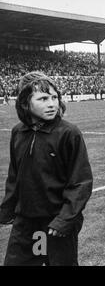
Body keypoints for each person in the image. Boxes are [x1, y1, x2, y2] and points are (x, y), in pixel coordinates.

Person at [0, 71, 93, 266]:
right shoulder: (18, 132)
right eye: (43, 98)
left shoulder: (69, 133)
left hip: (56, 224)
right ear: (25, 102)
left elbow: (80, 182)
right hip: (26, 223)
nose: (51, 103)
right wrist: (6, 210)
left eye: (54, 97)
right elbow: (14, 176)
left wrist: (64, 220)